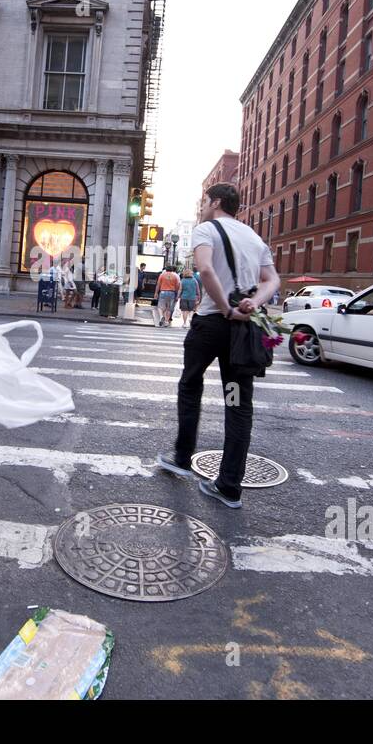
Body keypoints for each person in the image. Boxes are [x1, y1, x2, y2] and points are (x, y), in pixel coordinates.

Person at [156, 183, 279, 509]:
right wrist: (252, 303)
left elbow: (206, 268)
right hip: (241, 332)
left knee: (191, 384)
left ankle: (182, 457)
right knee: (237, 401)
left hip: (212, 324)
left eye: (205, 201)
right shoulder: (255, 238)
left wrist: (225, 307)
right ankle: (229, 485)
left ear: (217, 202)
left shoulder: (206, 230)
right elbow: (272, 280)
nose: (202, 206)